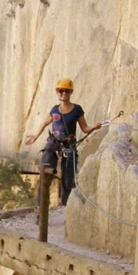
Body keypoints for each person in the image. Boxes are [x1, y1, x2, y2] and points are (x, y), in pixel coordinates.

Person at [23, 78, 109, 207]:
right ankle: (40, 208)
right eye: (61, 90)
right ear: (57, 92)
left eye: (67, 91)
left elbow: (84, 128)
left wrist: (94, 127)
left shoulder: (77, 110)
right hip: (53, 144)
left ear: (71, 92)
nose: (64, 93)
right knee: (45, 171)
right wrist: (35, 136)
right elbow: (44, 123)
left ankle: (65, 206)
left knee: (68, 179)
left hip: (69, 145)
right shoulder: (54, 110)